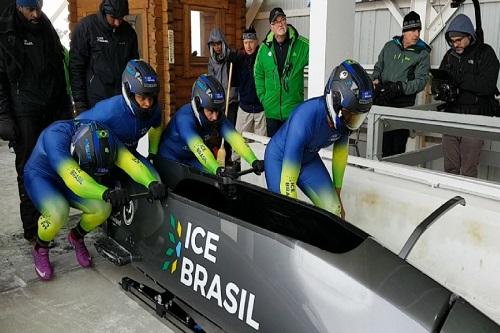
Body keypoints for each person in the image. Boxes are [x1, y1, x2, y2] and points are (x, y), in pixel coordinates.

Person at [24, 120, 166, 280]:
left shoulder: (107, 136)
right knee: (58, 212)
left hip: (75, 176)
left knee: (103, 208)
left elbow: (130, 163)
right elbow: (75, 181)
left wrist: (151, 182)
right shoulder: (54, 137)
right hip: (43, 177)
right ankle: (40, 248)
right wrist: (106, 192)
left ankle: (76, 237)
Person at [0, 0, 72, 242]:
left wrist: (65, 110)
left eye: (39, 7)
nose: (36, 13)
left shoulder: (46, 27)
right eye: (31, 9)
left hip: (51, 108)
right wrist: (3, 116)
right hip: (24, 113)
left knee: (53, 164)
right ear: (19, 7)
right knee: (29, 169)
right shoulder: (6, 31)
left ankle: (49, 216)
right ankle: (32, 229)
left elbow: (58, 71)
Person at [265, 60, 373, 217]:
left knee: (334, 211)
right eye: (351, 115)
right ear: (335, 102)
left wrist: (337, 198)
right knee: (284, 214)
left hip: (307, 158)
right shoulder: (304, 118)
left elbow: (340, 157)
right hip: (280, 159)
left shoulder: (344, 121)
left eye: (358, 117)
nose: (353, 122)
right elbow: (288, 181)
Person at [158, 74, 264, 177]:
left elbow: (235, 138)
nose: (215, 117)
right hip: (170, 157)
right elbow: (197, 146)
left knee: (213, 182)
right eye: (210, 111)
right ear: (199, 105)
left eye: (218, 111)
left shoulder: (217, 116)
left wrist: (253, 160)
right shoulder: (184, 118)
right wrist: (217, 168)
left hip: (192, 158)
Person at [437, 14, 500, 178]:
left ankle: (467, 202)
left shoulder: (485, 53)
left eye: (458, 40)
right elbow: (441, 79)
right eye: (452, 41)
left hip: (475, 120)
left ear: (469, 36)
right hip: (451, 117)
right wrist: (439, 88)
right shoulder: (450, 56)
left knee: (468, 171)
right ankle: (449, 199)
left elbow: (487, 86)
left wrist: (459, 78)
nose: (454, 44)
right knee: (450, 169)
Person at [76, 59, 163, 175]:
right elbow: (75, 125)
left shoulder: (155, 110)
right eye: (142, 97)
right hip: (103, 159)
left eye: (151, 97)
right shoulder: (107, 111)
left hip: (130, 155)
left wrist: (152, 154)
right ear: (129, 93)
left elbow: (156, 126)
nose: (148, 103)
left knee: (156, 179)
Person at [372, 11, 431, 157]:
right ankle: (379, 177)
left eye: (419, 30)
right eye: (413, 30)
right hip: (383, 102)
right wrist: (375, 80)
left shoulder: (422, 53)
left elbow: (421, 81)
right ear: (404, 30)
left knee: (397, 150)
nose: (417, 34)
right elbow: (378, 67)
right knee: (380, 147)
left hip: (403, 106)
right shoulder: (389, 46)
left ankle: (393, 177)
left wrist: (400, 87)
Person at [70, 0, 139, 114]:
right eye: (113, 17)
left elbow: (133, 66)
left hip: (121, 99)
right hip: (95, 100)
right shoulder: (86, 28)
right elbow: (76, 67)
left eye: (121, 18)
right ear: (104, 12)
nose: (117, 22)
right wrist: (79, 102)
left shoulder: (128, 32)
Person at [254, 7, 309, 137]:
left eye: (283, 19)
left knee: (291, 147)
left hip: (293, 111)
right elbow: (258, 74)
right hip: (271, 111)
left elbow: (321, 57)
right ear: (271, 26)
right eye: (276, 21)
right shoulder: (263, 49)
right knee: (274, 148)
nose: (281, 24)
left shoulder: (302, 45)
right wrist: (263, 98)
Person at [207, 27, 238, 164]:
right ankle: (220, 155)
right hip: (218, 102)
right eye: (214, 44)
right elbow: (211, 80)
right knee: (218, 129)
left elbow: (236, 77)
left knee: (230, 129)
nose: (217, 47)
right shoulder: (212, 61)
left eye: (219, 43)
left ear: (223, 43)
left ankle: (230, 156)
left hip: (231, 100)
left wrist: (234, 60)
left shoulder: (231, 57)